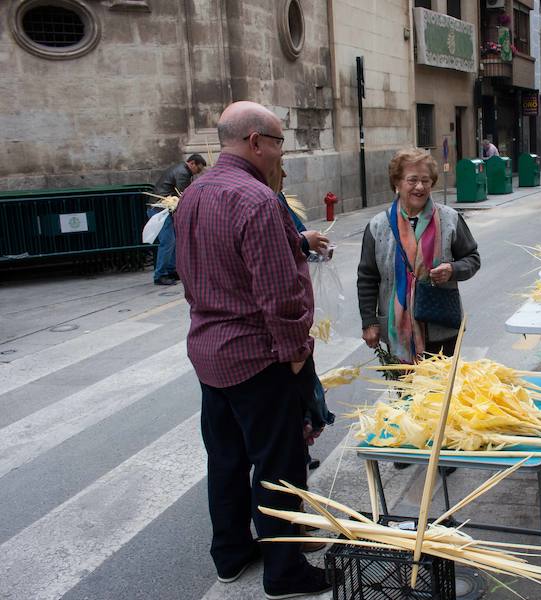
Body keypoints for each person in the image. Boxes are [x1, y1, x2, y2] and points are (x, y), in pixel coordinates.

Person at [174, 101, 333, 598]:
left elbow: (207, 265)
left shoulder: (195, 194)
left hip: (209, 351)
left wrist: (296, 239)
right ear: (256, 142)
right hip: (256, 357)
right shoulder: (257, 199)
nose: (280, 152)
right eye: (280, 142)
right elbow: (278, 293)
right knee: (278, 466)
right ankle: (284, 572)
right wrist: (295, 352)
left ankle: (231, 552)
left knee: (224, 458)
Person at [357, 147, 480, 364]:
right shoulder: (378, 226)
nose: (420, 187)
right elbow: (368, 277)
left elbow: (472, 258)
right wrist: (369, 322)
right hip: (397, 332)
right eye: (412, 180)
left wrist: (453, 270)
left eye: (426, 180)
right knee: (403, 395)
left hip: (441, 327)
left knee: (439, 395)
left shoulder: (450, 219)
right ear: (397, 183)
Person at [270, 165, 331, 473]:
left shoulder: (276, 199)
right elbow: (275, 267)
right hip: (278, 342)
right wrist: (297, 351)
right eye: (279, 162)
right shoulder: (263, 203)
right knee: (290, 410)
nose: (284, 171)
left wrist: (313, 247)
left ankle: (300, 457)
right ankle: (289, 505)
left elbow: (296, 242)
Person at [149, 154, 206, 285]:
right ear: (192, 163)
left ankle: (171, 270)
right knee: (168, 241)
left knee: (173, 240)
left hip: (163, 208)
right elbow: (185, 194)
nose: (198, 173)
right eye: (198, 169)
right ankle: (160, 275)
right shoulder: (183, 173)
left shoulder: (181, 169)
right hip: (160, 209)